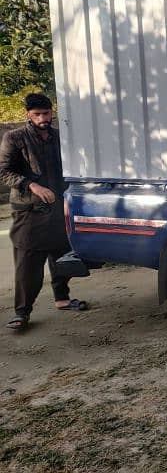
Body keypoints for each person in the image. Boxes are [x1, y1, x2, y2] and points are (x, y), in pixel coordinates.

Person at [0, 92, 87, 331]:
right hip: (30, 211)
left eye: (46, 113)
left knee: (61, 257)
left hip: (59, 208)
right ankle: (22, 313)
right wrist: (33, 185)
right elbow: (4, 171)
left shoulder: (60, 138)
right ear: (28, 114)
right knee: (28, 264)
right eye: (37, 114)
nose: (42, 118)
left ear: (52, 112)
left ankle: (62, 298)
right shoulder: (14, 138)